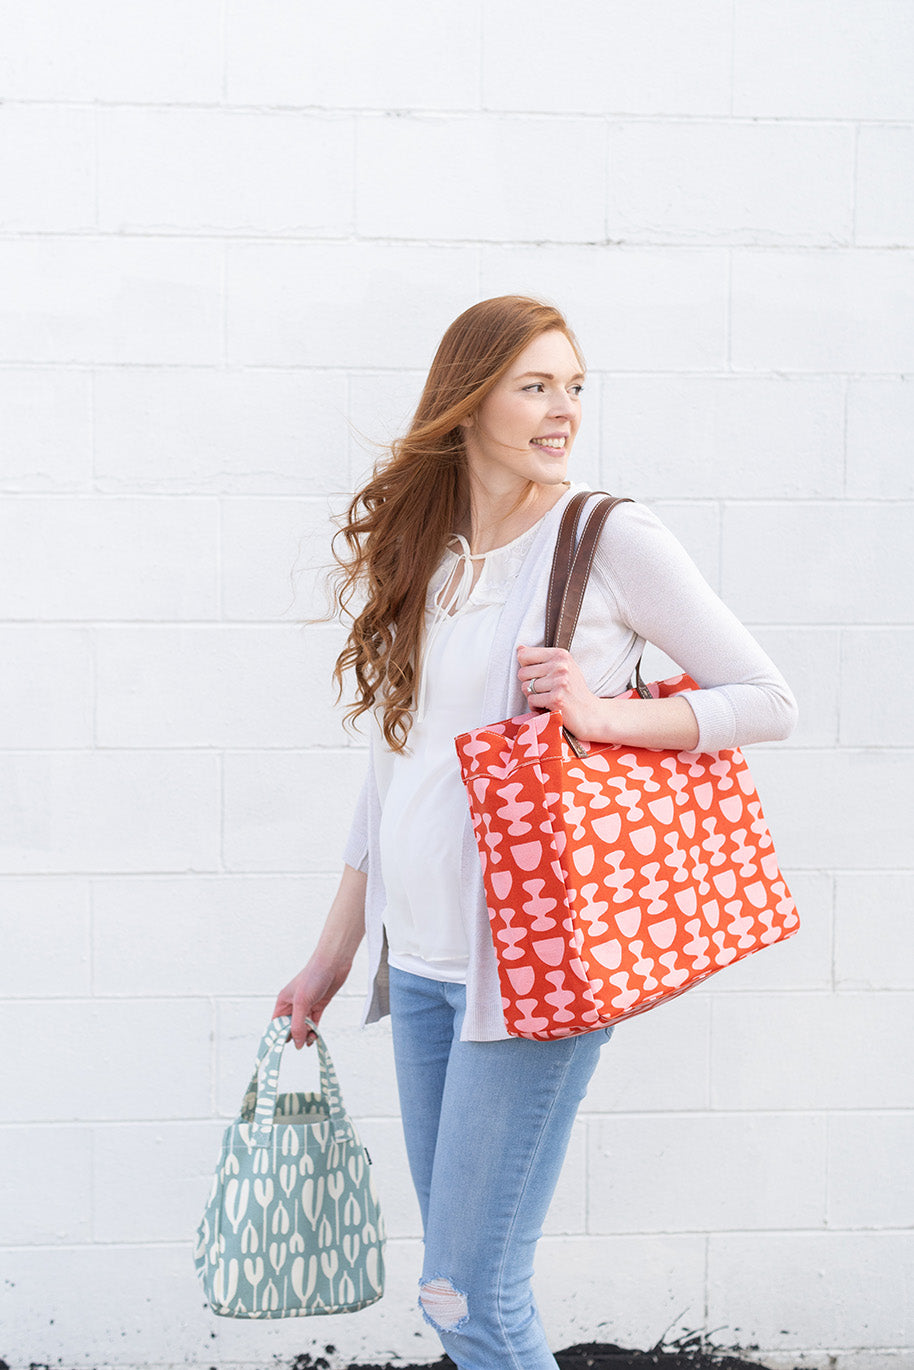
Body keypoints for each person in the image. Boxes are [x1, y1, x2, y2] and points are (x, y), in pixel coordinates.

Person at [274, 295, 797, 1370]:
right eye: (534, 385)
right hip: (418, 969)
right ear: (465, 403)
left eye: (572, 386)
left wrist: (601, 716)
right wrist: (335, 950)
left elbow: (766, 698)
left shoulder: (604, 535)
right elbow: (392, 768)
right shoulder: (432, 550)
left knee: (468, 1291)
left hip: (528, 972)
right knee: (455, 1286)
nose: (562, 410)